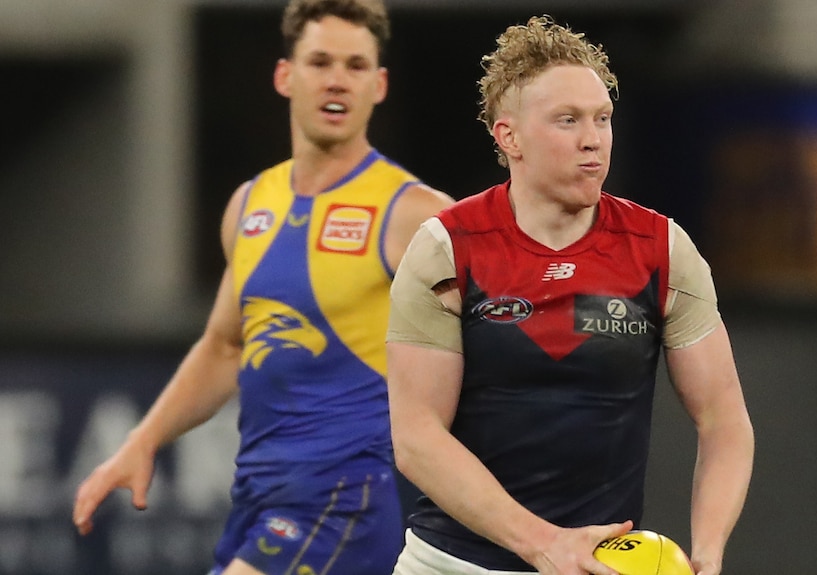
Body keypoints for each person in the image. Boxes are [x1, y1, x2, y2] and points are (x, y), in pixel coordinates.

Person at [72, 1, 452, 574]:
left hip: (345, 499)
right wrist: (142, 441)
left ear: (379, 86)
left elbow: (488, 345)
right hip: (258, 498)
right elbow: (225, 346)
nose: (336, 80)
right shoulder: (250, 205)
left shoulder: (415, 214)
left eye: (355, 66)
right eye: (320, 61)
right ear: (285, 76)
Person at [386, 15, 754, 575]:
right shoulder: (447, 248)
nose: (593, 138)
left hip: (600, 567)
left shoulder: (661, 249)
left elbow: (723, 420)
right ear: (508, 136)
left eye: (603, 119)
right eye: (568, 120)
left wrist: (706, 550)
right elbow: (416, 437)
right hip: (451, 564)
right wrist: (542, 543)